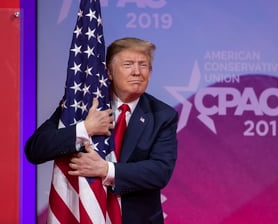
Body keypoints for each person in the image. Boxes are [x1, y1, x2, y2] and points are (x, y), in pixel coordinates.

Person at [25, 37, 178, 224]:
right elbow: (35, 150)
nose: (137, 72)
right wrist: (83, 128)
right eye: (128, 64)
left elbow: (160, 171)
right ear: (109, 72)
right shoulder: (81, 106)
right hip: (82, 214)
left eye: (143, 65)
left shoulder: (162, 115)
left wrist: (106, 170)